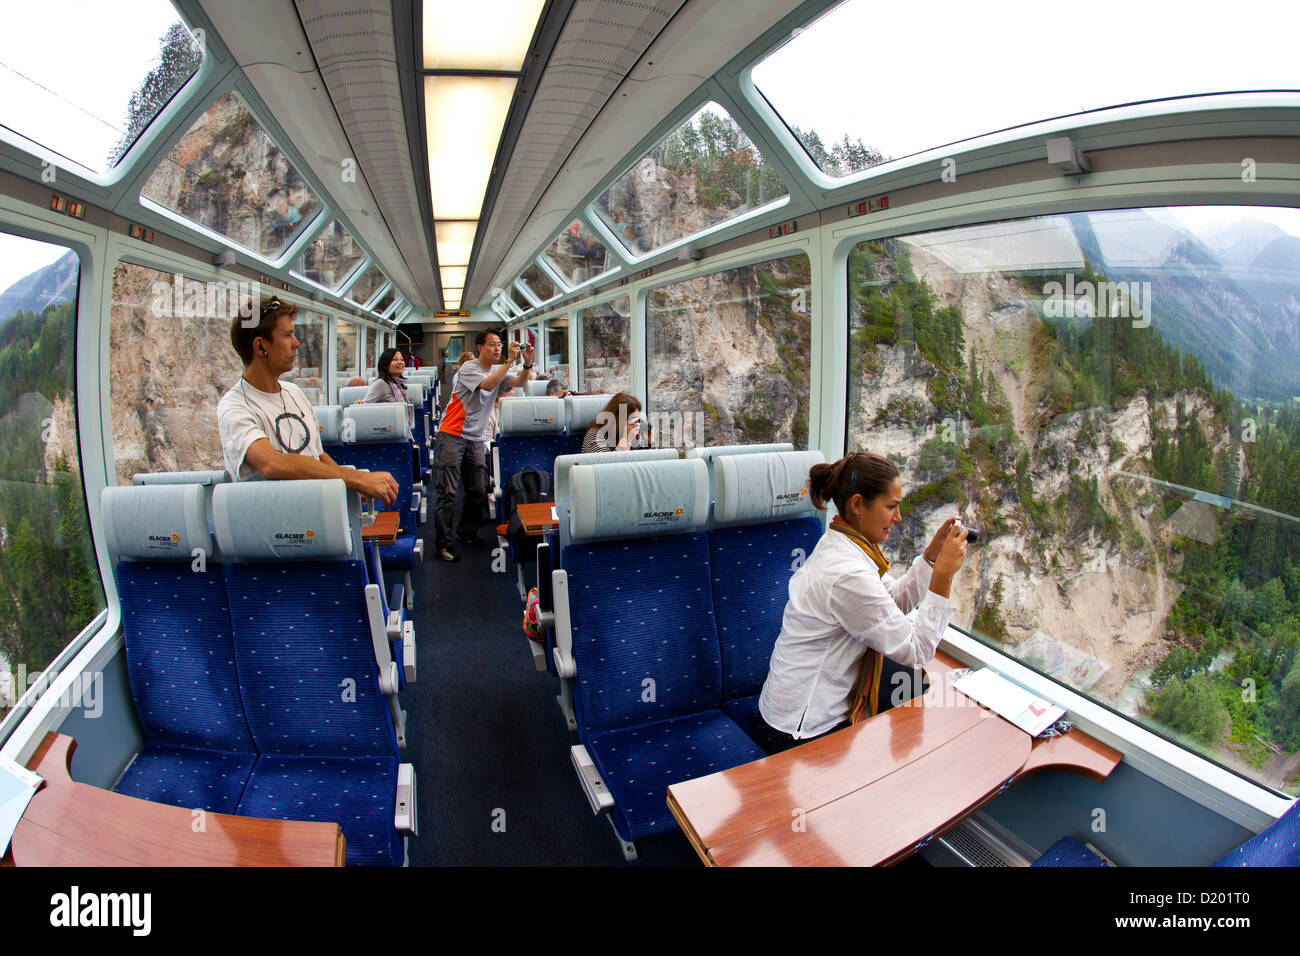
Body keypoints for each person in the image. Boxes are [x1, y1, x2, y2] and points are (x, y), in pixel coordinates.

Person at [755, 451, 969, 754]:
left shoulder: (844, 545)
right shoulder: (846, 573)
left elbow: (890, 603)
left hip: (793, 712)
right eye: (891, 507)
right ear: (857, 505)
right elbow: (917, 651)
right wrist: (943, 577)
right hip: (798, 730)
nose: (898, 517)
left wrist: (931, 558)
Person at [216, 296, 398, 507]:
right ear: (260, 347)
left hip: (318, 514)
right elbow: (271, 463)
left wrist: (350, 486)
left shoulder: (294, 392)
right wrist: (356, 478)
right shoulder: (235, 407)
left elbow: (317, 455)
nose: (297, 343)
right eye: (287, 335)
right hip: (276, 530)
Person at [433, 329, 534, 561]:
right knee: (447, 492)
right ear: (480, 348)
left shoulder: (495, 371)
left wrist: (527, 365)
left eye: (499, 344)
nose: (497, 348)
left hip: (476, 437)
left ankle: (466, 531)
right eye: (492, 345)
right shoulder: (470, 368)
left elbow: (518, 382)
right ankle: (443, 544)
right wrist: (509, 361)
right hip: (452, 434)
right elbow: (488, 386)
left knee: (478, 489)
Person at [581, 392, 645, 453]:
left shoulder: (634, 433)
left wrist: (649, 443)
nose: (636, 425)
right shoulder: (595, 435)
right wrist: (626, 440)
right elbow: (606, 463)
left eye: (637, 420)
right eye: (633, 420)